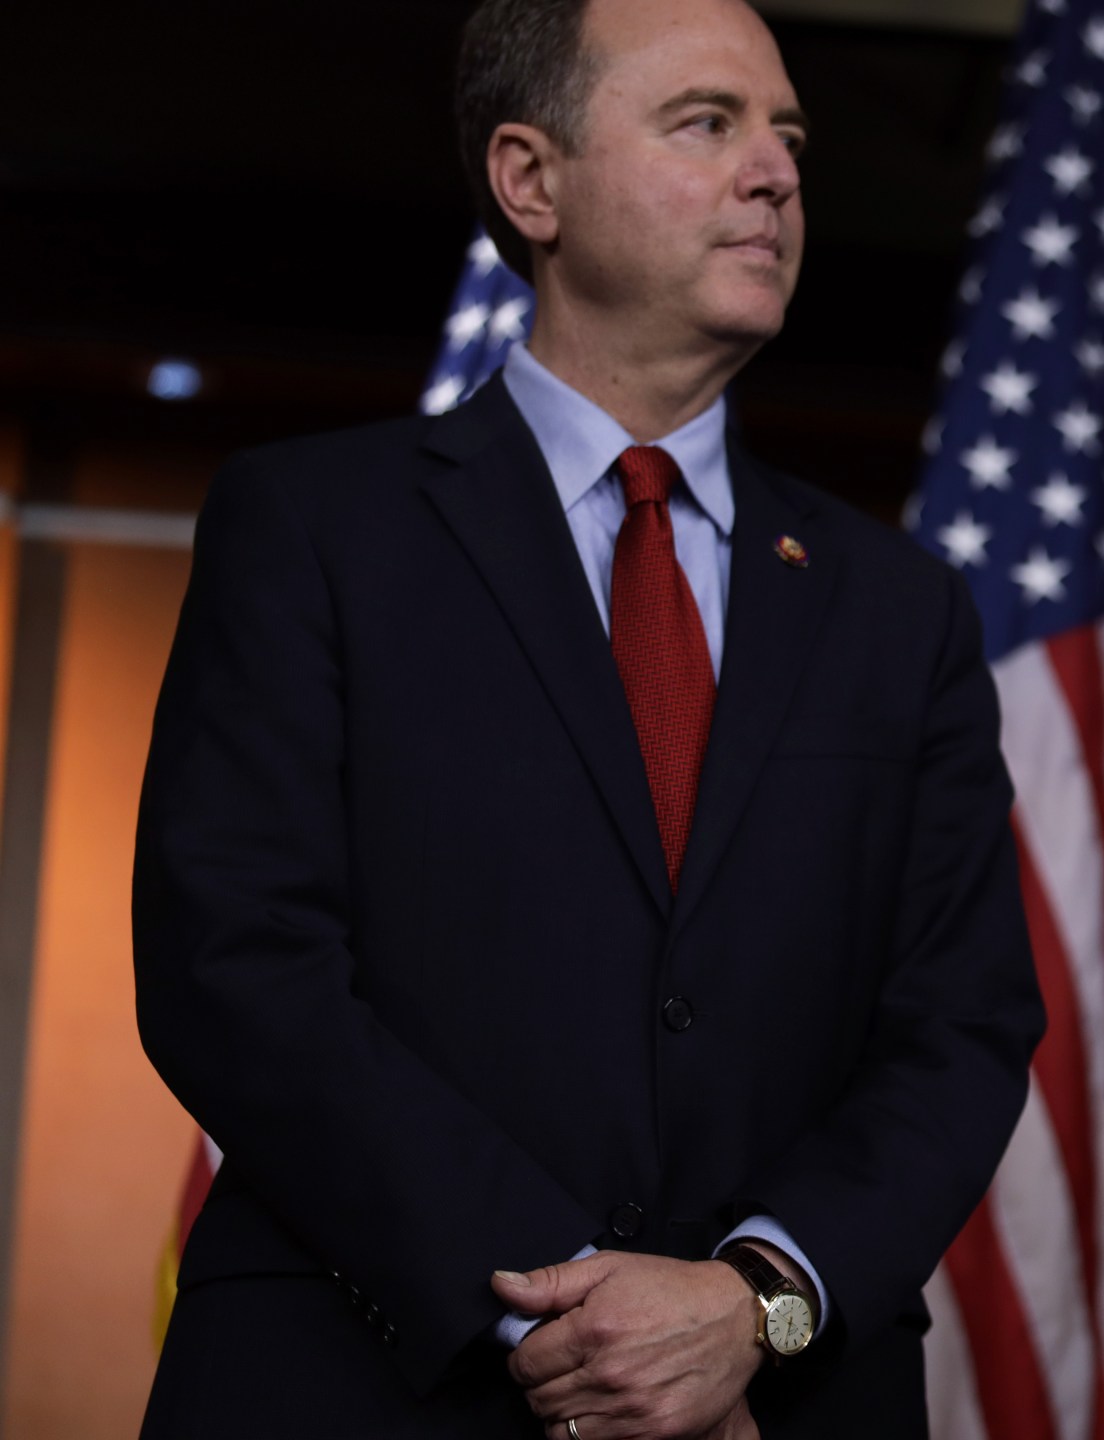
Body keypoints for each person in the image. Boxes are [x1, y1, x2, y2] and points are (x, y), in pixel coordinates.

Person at [131, 0, 1043, 1433]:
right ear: (530, 180)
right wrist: (578, 1312)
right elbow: (236, 969)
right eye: (708, 123)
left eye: (789, 135)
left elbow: (962, 1024)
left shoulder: (900, 609)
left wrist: (752, 1304)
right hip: (368, 1384)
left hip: (779, 1403)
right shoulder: (312, 529)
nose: (778, 172)